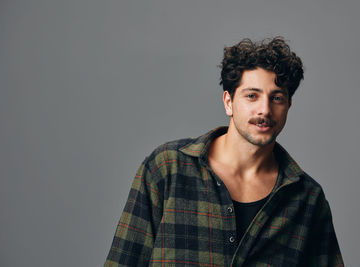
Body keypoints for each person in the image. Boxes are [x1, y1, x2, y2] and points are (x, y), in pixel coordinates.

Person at [105, 37, 344, 266]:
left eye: (277, 98)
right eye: (252, 96)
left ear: (288, 106)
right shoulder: (167, 168)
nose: (265, 109)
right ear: (228, 102)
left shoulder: (307, 199)